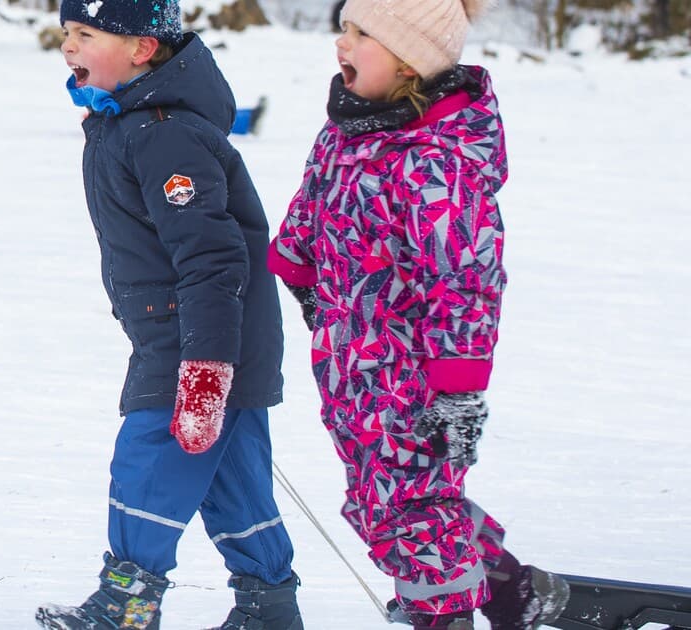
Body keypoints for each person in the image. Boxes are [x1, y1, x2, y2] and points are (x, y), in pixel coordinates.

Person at [268, 0, 570, 629]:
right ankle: (513, 589)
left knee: (404, 507)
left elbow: (467, 282)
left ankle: (443, 612)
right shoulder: (346, 128)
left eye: (362, 34)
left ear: (410, 63)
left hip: (413, 375)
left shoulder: (438, 163)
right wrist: (300, 273)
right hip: (350, 359)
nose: (341, 43)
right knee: (398, 497)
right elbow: (309, 205)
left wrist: (458, 390)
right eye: (344, 27)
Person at [34, 0, 303, 628]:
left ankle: (126, 602)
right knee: (232, 480)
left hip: (199, 338)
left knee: (150, 459)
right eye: (67, 32)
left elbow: (214, 257)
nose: (68, 46)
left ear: (142, 49)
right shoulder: (127, 123)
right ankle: (269, 606)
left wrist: (206, 367)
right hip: (196, 330)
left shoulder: (165, 133)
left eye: (86, 34)